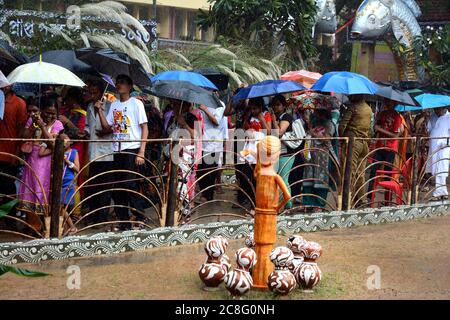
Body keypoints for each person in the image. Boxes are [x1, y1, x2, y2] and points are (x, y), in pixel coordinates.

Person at [95, 74, 148, 231]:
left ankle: (140, 214)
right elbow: (108, 128)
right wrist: (100, 111)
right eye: (118, 82)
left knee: (129, 183)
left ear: (130, 86)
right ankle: (124, 220)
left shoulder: (136, 103)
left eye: (123, 83)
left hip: (131, 148)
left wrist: (142, 151)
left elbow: (144, 127)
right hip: (116, 149)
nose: (119, 85)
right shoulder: (114, 105)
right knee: (117, 187)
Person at [18, 98, 64, 231]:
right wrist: (33, 125)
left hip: (47, 164)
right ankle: (31, 226)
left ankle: (45, 227)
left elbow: (52, 143)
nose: (49, 116)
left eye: (53, 113)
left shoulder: (58, 124)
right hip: (32, 161)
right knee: (30, 190)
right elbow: (24, 136)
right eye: (47, 112)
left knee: (44, 191)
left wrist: (43, 126)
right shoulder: (33, 120)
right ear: (42, 110)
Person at [164, 99, 201, 221]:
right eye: (173, 104)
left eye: (176, 104)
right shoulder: (172, 118)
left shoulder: (191, 118)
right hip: (172, 153)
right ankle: (174, 210)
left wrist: (184, 124)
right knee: (172, 181)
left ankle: (185, 211)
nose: (173, 106)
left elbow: (196, 137)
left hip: (185, 154)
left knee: (182, 181)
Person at [84, 80, 114, 224]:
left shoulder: (110, 106)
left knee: (104, 186)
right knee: (93, 186)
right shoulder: (89, 106)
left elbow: (109, 128)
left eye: (95, 92)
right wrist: (84, 132)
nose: (92, 94)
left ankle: (102, 217)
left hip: (106, 152)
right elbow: (89, 126)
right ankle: (93, 214)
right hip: (93, 152)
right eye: (91, 92)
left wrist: (100, 111)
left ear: (102, 92)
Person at [39, 132, 78, 235]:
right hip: (57, 182)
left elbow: (78, 169)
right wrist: (46, 142)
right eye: (61, 139)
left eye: (66, 139)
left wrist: (67, 161)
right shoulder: (56, 151)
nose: (64, 141)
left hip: (68, 183)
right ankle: (63, 231)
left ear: (71, 141)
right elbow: (41, 153)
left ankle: (72, 227)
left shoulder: (74, 152)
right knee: (58, 207)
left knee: (61, 207)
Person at [339, 95, 373, 207]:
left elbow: (342, 125)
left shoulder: (353, 108)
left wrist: (341, 139)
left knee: (349, 172)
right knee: (360, 173)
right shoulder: (369, 109)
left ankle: (347, 201)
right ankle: (361, 200)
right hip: (364, 143)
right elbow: (371, 129)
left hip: (353, 143)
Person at [367, 99, 404, 200]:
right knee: (373, 170)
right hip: (380, 146)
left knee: (388, 173)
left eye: (390, 102)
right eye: (387, 102)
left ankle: (387, 198)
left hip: (390, 148)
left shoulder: (397, 117)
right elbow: (376, 127)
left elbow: (395, 135)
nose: (387, 104)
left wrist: (380, 129)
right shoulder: (382, 114)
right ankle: (370, 195)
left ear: (395, 103)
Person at [302, 109, 337, 211]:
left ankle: (319, 204)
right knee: (308, 178)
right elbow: (308, 133)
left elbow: (327, 138)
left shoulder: (330, 125)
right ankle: (307, 203)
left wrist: (314, 134)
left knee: (321, 179)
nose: (316, 114)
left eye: (318, 113)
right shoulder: (313, 122)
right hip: (311, 154)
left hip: (322, 157)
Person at [0, 85, 27, 205]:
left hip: (9, 153)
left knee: (8, 187)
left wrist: (16, 154)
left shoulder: (19, 103)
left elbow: (21, 130)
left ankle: (10, 218)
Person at [197, 102, 224, 204]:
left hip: (214, 144)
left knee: (210, 171)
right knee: (200, 170)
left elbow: (217, 121)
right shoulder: (199, 103)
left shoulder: (219, 105)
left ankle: (208, 195)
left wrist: (205, 109)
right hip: (202, 142)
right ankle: (204, 193)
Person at [270, 94, 294, 209]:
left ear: (284, 106)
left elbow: (279, 132)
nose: (275, 107)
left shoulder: (287, 117)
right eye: (274, 105)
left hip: (286, 153)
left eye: (278, 105)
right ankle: (279, 205)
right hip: (275, 152)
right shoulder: (272, 117)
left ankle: (288, 205)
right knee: (275, 180)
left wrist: (274, 120)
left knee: (283, 179)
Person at [428, 107, 450, 200]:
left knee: (442, 168)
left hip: (443, 147)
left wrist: (447, 142)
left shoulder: (449, 117)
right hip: (434, 146)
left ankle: (438, 192)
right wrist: (426, 118)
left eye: (438, 109)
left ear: (443, 107)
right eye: (435, 109)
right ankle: (443, 192)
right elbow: (429, 129)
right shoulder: (433, 117)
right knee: (436, 169)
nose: (436, 111)